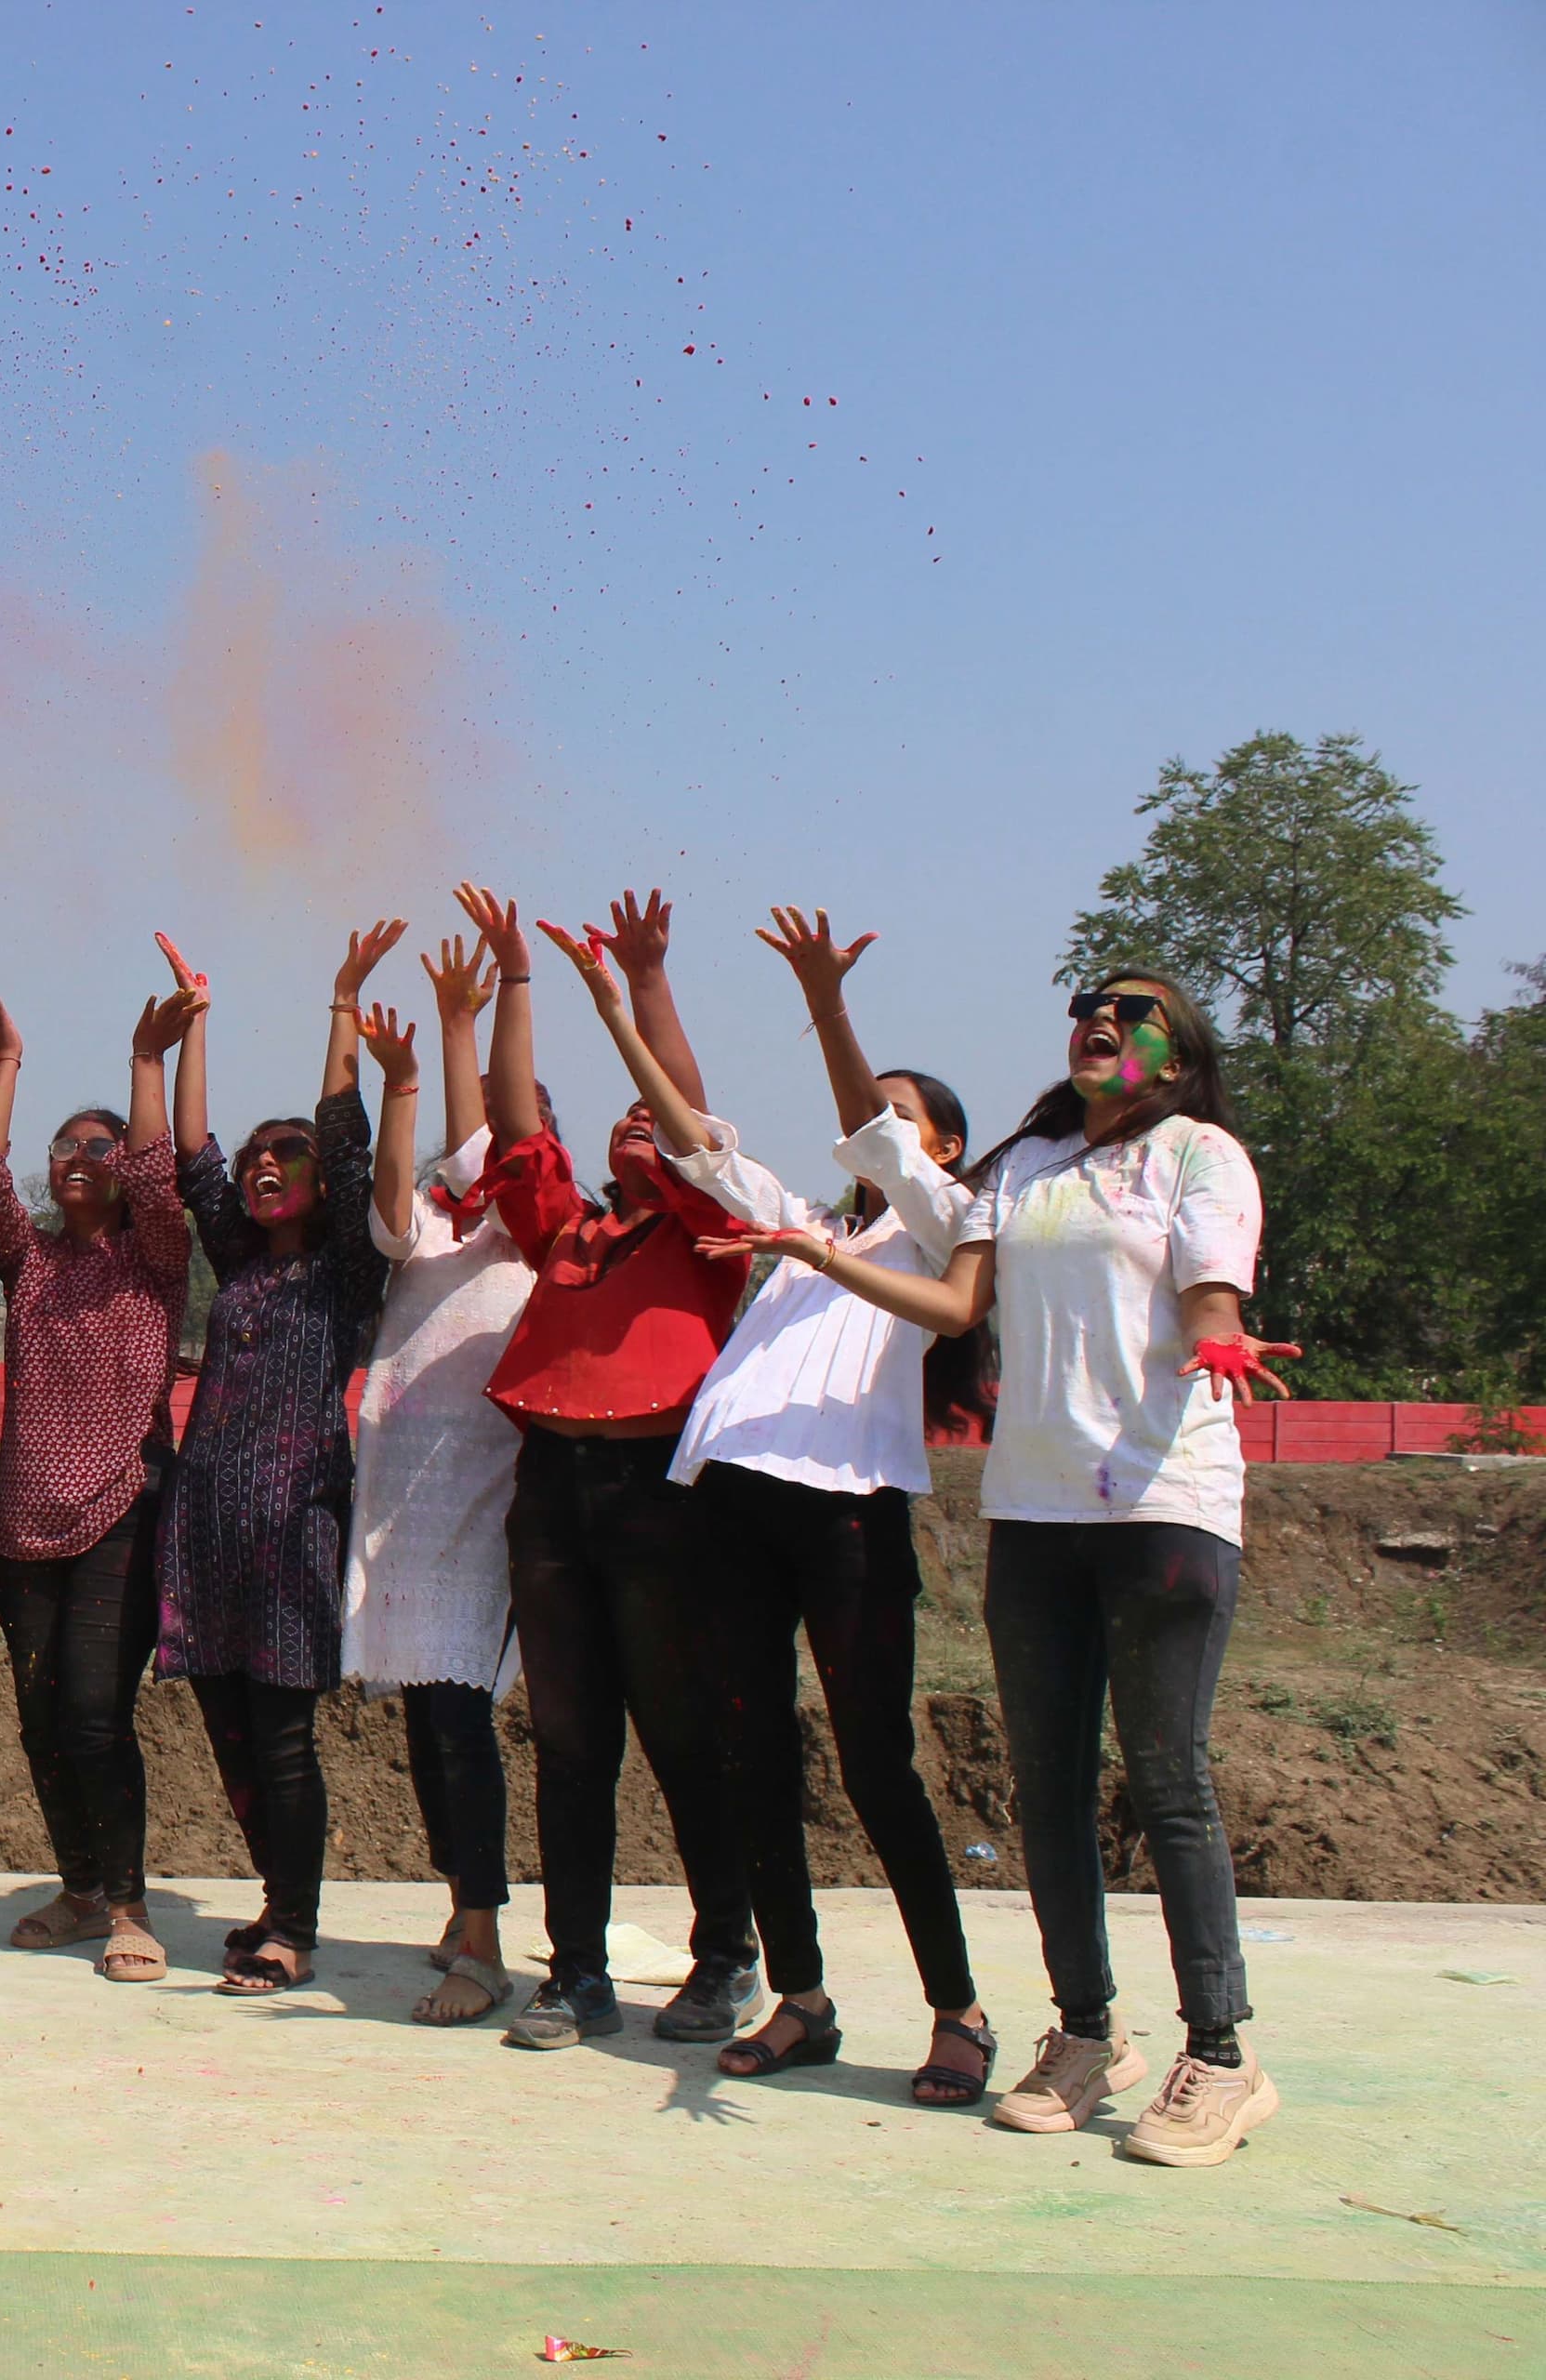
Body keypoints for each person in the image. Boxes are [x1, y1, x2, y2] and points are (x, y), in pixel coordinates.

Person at [702, 968, 1290, 2166]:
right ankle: (1084, 2033)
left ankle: (1220, 2055)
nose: (1104, 1021)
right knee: (1051, 1786)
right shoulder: (1023, 1169)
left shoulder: (1200, 1154)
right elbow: (936, 1250)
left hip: (1165, 1503)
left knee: (1168, 1783)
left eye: (1135, 1016)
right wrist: (827, 1006)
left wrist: (1222, 1334)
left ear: (1172, 1061)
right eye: (1093, 1006)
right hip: (1035, 1511)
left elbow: (1212, 1286)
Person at [535, 908, 995, 2103]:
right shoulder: (801, 1221)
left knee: (877, 1764)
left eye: (900, 1117)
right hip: (732, 1509)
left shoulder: (954, 1227)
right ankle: (802, 1997)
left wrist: (831, 1009)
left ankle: (958, 2010)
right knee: (753, 1761)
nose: (872, 1130)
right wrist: (615, 1008)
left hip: (844, 1519)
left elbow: (887, 1168)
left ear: (942, 1142)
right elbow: (694, 1143)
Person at [456, 884, 760, 2055]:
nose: (640, 1126)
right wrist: (517, 979)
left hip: (661, 1503)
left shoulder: (705, 1230)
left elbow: (695, 1128)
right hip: (554, 1498)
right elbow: (516, 1116)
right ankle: (573, 1971)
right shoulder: (567, 1231)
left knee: (683, 1733)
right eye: (622, 1118)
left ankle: (725, 1952)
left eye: (655, 1119)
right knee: (573, 1742)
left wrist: (644, 986)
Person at [152, 925, 397, 1997]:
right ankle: (272, 1895)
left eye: (282, 1156)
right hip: (206, 1525)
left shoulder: (348, 1271)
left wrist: (342, 1004)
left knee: (286, 1736)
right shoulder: (239, 1263)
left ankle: (295, 1922)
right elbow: (191, 1156)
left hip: (296, 1523)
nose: (261, 1166)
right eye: (259, 1156)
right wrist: (195, 1023)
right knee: (230, 1730)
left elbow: (346, 1141)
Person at [0, 973, 198, 1984]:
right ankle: (81, 1885)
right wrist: (8, 1056)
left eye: (101, 1147)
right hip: (21, 1525)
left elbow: (155, 1173)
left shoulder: (157, 1258)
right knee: (41, 1713)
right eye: (69, 1148)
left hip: (120, 1509)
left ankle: (132, 1904)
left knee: (95, 1709)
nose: (86, 1160)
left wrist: (149, 1063)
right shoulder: (33, 1261)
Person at [340, 937, 533, 2028]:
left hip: (482, 1502)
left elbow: (484, 1144)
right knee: (424, 1715)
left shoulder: (526, 1232)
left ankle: (489, 1936)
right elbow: (393, 1199)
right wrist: (397, 1087)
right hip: (400, 1502)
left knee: (458, 1718)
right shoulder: (420, 1237)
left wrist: (470, 1025)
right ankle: (465, 1912)